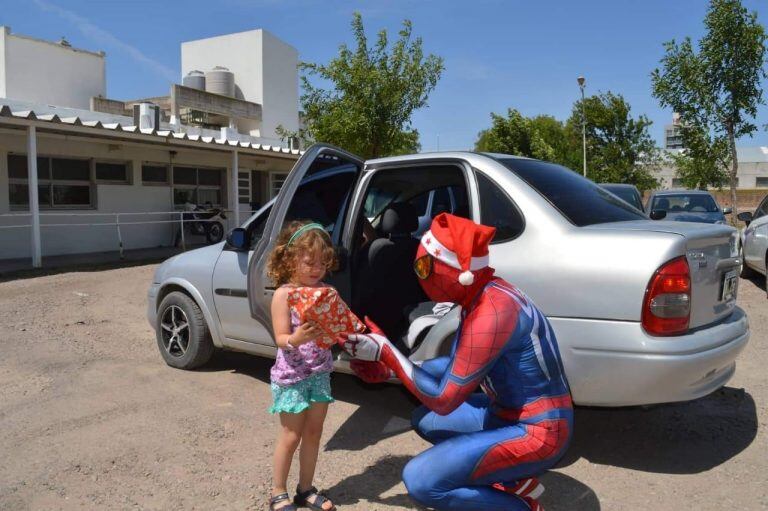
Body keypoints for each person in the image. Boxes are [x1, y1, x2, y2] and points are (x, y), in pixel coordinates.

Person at [344, 213, 573, 511]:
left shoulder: (492, 311)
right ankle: (508, 476)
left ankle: (523, 507)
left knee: (421, 480)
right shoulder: (481, 294)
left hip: (538, 429)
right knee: (425, 420)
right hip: (506, 414)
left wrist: (388, 351)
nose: (419, 274)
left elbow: (444, 399)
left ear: (457, 271)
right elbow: (448, 367)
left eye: (425, 266)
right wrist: (389, 369)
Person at [267, 221, 338, 511]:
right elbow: (281, 338)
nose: (316, 268)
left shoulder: (327, 293)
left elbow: (335, 331)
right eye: (309, 262)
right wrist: (296, 338)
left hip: (319, 375)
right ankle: (277, 492)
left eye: (322, 262)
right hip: (292, 376)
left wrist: (336, 333)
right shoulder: (283, 294)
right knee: (291, 435)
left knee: (313, 433)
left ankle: (305, 489)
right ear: (290, 259)